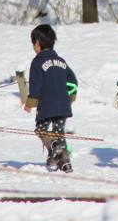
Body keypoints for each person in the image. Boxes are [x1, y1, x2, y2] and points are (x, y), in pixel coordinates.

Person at [24, 24, 78, 172]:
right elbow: (72, 79)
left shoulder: (37, 62)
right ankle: (65, 162)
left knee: (41, 129)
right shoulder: (61, 61)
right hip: (63, 105)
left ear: (37, 43)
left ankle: (53, 146)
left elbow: (36, 85)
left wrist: (30, 103)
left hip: (47, 105)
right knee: (59, 133)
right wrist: (71, 95)